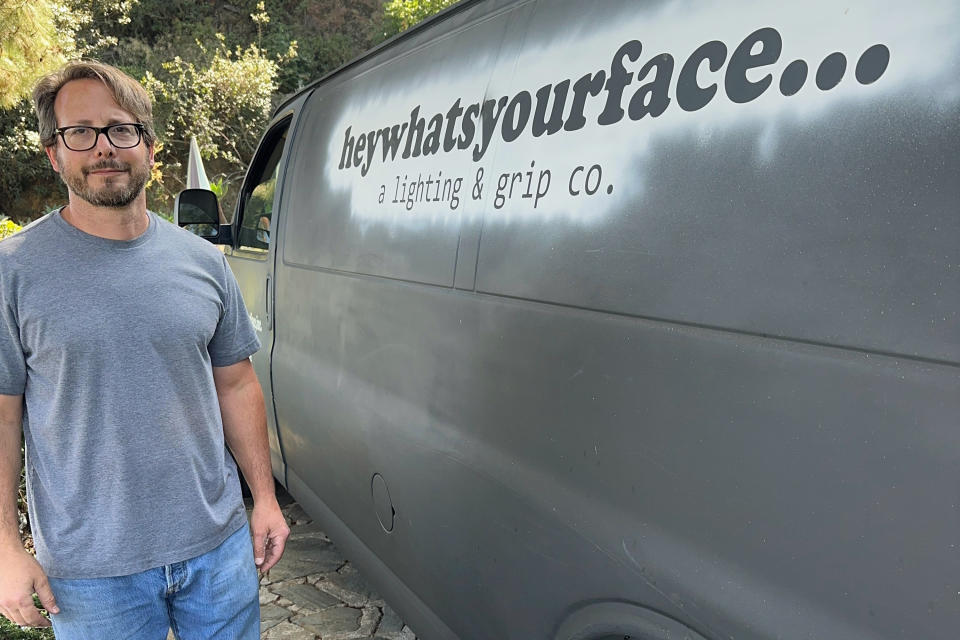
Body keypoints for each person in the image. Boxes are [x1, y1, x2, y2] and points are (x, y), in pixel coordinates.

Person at [0, 60, 290, 638]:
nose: (103, 147)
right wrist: (5, 546)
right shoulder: (13, 272)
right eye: (79, 132)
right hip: (91, 573)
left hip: (218, 550)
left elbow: (236, 382)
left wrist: (264, 498)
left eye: (120, 128)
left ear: (150, 149)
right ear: (55, 154)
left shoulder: (205, 262)